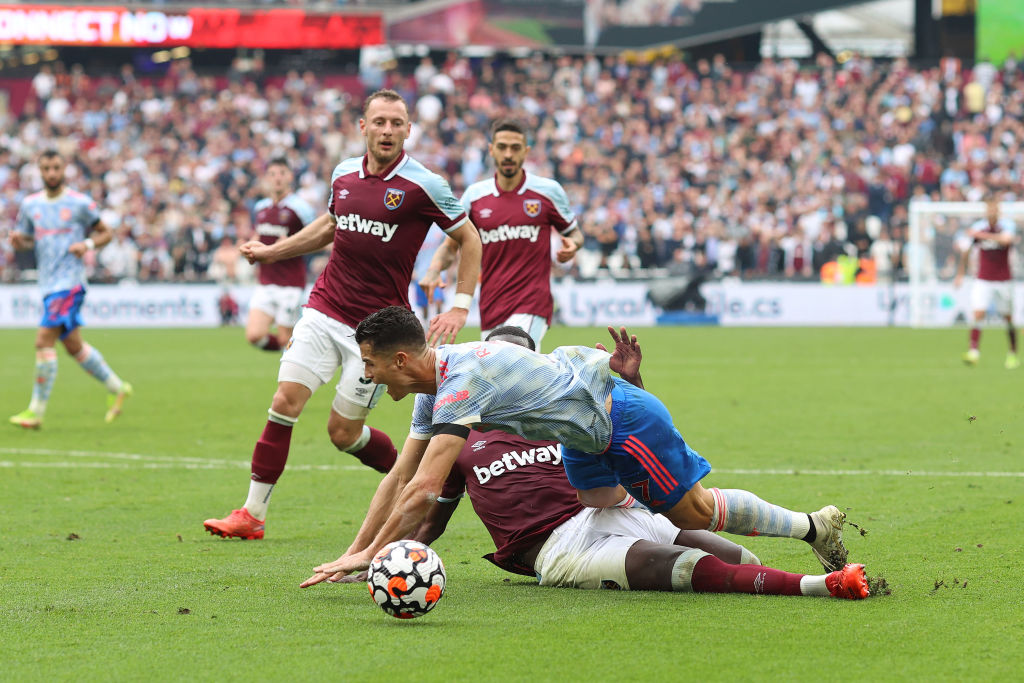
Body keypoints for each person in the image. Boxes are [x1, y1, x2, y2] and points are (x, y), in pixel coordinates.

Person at [305, 326, 869, 599]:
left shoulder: (460, 380)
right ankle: (778, 545)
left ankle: (811, 527)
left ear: (401, 359)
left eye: (371, 365)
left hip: (621, 418)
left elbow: (424, 489)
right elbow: (402, 477)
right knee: (597, 499)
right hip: (584, 443)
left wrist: (370, 556)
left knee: (694, 512)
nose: (368, 376)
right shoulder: (434, 385)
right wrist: (354, 553)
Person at [202, 90, 483, 540]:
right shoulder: (343, 174)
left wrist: (460, 305)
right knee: (283, 403)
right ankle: (251, 515)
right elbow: (330, 226)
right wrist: (273, 252)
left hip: (377, 334)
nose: (387, 130)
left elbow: (470, 238)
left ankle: (415, 477)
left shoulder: (424, 184)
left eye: (396, 123)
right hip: (323, 307)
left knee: (344, 433)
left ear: (408, 129)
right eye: (379, 122)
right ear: (363, 127)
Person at [421, 119, 584, 349]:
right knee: (501, 375)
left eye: (515, 148)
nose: (508, 154)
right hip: (492, 304)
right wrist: (433, 270)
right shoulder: (475, 196)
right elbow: (451, 246)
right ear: (491, 150)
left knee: (512, 355)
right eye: (502, 147)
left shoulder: (547, 192)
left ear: (526, 151)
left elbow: (575, 234)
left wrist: (573, 245)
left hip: (532, 302)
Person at [8, 150, 133, 430]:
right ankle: (118, 387)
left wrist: (86, 245)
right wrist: (19, 242)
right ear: (39, 172)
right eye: (46, 169)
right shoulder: (30, 205)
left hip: (70, 283)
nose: (51, 173)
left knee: (43, 341)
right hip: (48, 283)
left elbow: (106, 232)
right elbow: (30, 241)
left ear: (64, 169)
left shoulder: (79, 203)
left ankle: (36, 412)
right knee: (73, 345)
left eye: (55, 167)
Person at [245, 158, 318, 352]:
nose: (277, 178)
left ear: (290, 176)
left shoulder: (301, 208)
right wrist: (248, 247)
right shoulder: (261, 207)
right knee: (254, 335)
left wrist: (289, 245)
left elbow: (316, 237)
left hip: (290, 284)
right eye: (273, 174)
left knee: (286, 339)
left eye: (282, 173)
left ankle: (293, 371)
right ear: (266, 178)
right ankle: (293, 352)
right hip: (265, 282)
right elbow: (258, 235)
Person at [954, 197, 1019, 369]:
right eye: (989, 209)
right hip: (983, 278)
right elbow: (966, 250)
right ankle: (973, 352)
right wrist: (960, 273)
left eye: (994, 209)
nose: (992, 212)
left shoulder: (1007, 226)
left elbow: (1006, 240)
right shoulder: (978, 227)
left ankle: (1012, 353)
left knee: (1008, 318)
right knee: (978, 313)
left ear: (998, 211)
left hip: (1004, 279)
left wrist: (981, 235)